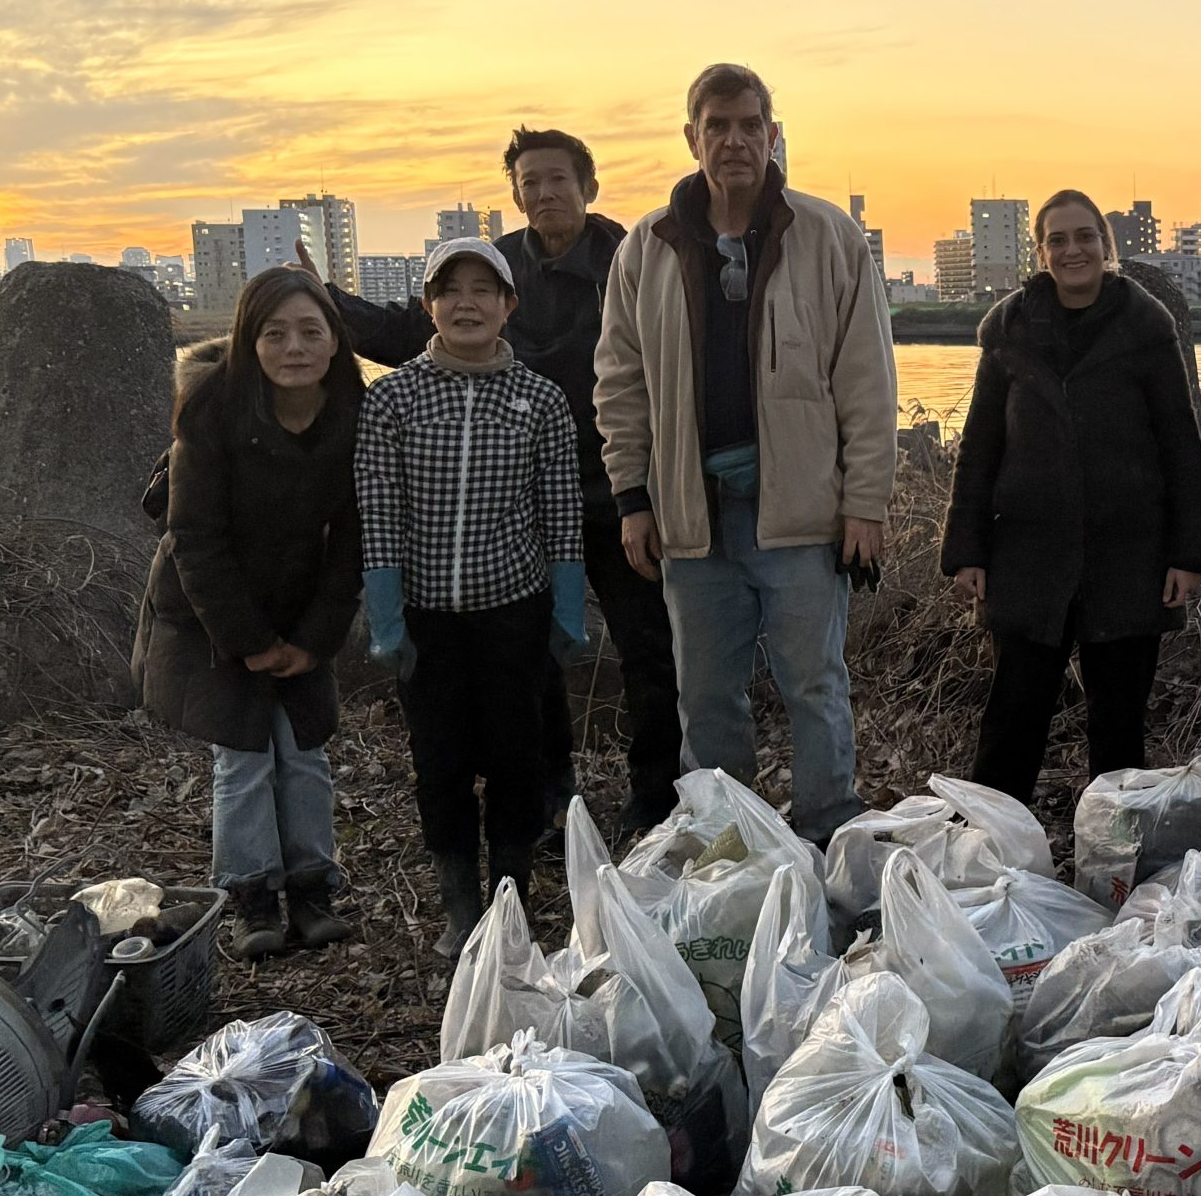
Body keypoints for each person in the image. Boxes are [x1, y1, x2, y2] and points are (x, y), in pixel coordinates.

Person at [329, 127, 682, 841]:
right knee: (537, 653)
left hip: (621, 487)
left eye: (558, 179)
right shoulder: (498, 271)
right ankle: (550, 793)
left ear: (588, 187)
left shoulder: (628, 261)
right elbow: (410, 330)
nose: (545, 193)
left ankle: (657, 794)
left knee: (649, 646)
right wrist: (323, 301)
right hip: (525, 495)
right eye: (530, 183)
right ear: (515, 194)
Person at [594, 63, 897, 842]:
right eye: (717, 125)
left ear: (772, 133)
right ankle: (729, 843)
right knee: (707, 696)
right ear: (692, 136)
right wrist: (632, 496)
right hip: (692, 519)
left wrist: (865, 502)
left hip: (800, 513)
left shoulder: (827, 235)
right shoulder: (646, 248)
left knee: (815, 684)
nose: (734, 140)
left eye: (749, 124)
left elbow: (866, 378)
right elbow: (619, 381)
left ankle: (830, 830)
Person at [939, 190, 1201, 803]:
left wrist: (1189, 553)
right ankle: (991, 856)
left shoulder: (1147, 327)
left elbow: (1181, 443)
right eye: (1057, 239)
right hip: (1027, 557)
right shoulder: (1007, 330)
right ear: (1040, 252)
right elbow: (979, 448)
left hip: (1128, 557)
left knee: (1119, 730)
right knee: (1012, 720)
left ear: (1106, 246)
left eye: (1085, 236)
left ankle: (1114, 869)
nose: (1073, 250)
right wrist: (967, 550)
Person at [357, 238, 587, 950]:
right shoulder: (393, 398)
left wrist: (568, 609)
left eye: (483, 290)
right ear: (429, 305)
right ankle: (459, 900)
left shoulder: (539, 400)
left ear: (507, 306)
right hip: (428, 621)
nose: (466, 302)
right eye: (449, 289)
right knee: (441, 760)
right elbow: (379, 511)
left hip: (513, 610)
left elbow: (561, 511)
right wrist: (388, 620)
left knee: (519, 756)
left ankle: (510, 894)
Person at [133, 268, 365, 958]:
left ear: (333, 342)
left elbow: (356, 538)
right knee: (242, 756)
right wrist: (251, 641)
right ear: (248, 340)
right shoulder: (213, 411)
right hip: (212, 611)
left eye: (310, 331)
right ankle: (251, 895)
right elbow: (194, 539)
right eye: (274, 333)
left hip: (302, 610)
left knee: (304, 751)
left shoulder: (355, 412)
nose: (294, 347)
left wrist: (316, 637)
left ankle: (313, 885)